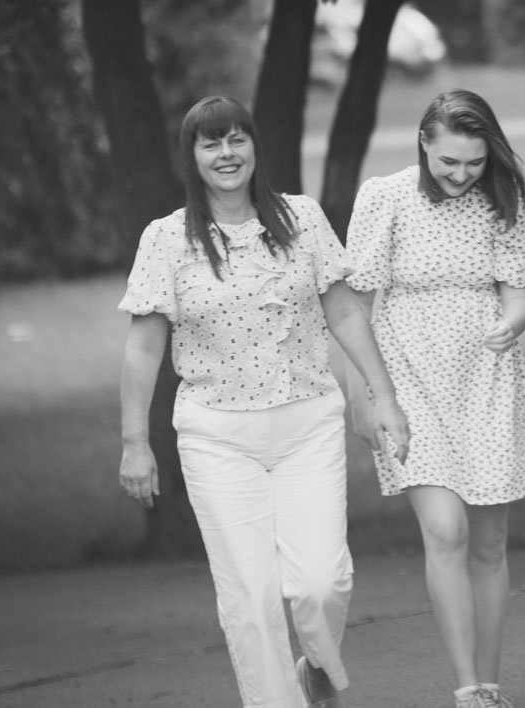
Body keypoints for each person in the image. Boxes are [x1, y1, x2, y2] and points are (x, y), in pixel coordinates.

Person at [118, 95, 410, 708]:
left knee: (320, 585)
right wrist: (134, 443)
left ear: (254, 146)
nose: (226, 154)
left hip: (307, 424)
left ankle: (316, 670)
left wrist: (383, 396)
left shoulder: (301, 219)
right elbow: (143, 349)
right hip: (216, 436)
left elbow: (345, 311)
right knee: (249, 598)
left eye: (236, 140)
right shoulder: (167, 239)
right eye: (210, 143)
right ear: (192, 156)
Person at [344, 89, 525, 708]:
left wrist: (512, 323)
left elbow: (519, 296)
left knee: (489, 543)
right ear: (424, 146)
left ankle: (489, 687)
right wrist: (362, 397)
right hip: (406, 378)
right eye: (448, 162)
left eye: (475, 163)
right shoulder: (385, 197)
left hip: (486, 380)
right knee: (446, 528)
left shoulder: (507, 200)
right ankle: (466, 689)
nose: (462, 175)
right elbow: (353, 305)